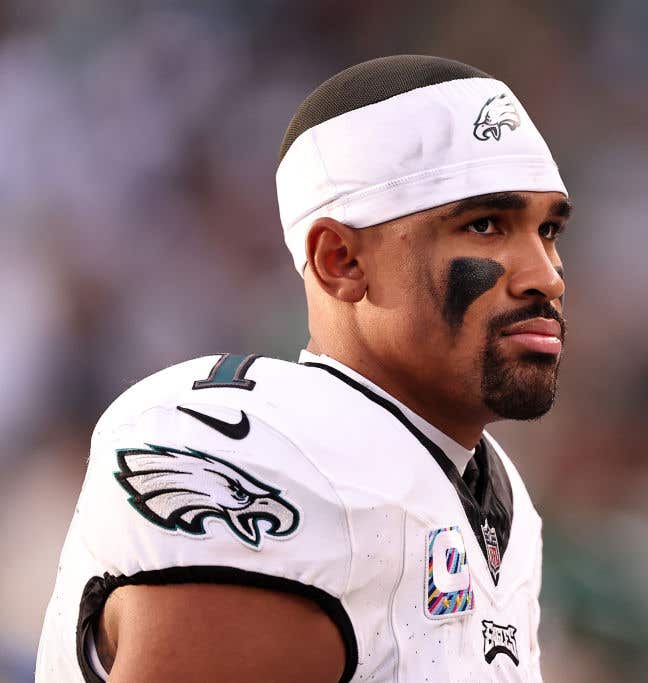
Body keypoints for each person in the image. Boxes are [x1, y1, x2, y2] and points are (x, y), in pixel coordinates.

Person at [36, 54, 570, 682]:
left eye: (549, 231)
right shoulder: (264, 453)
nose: (546, 275)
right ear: (340, 260)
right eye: (484, 226)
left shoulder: (494, 493)